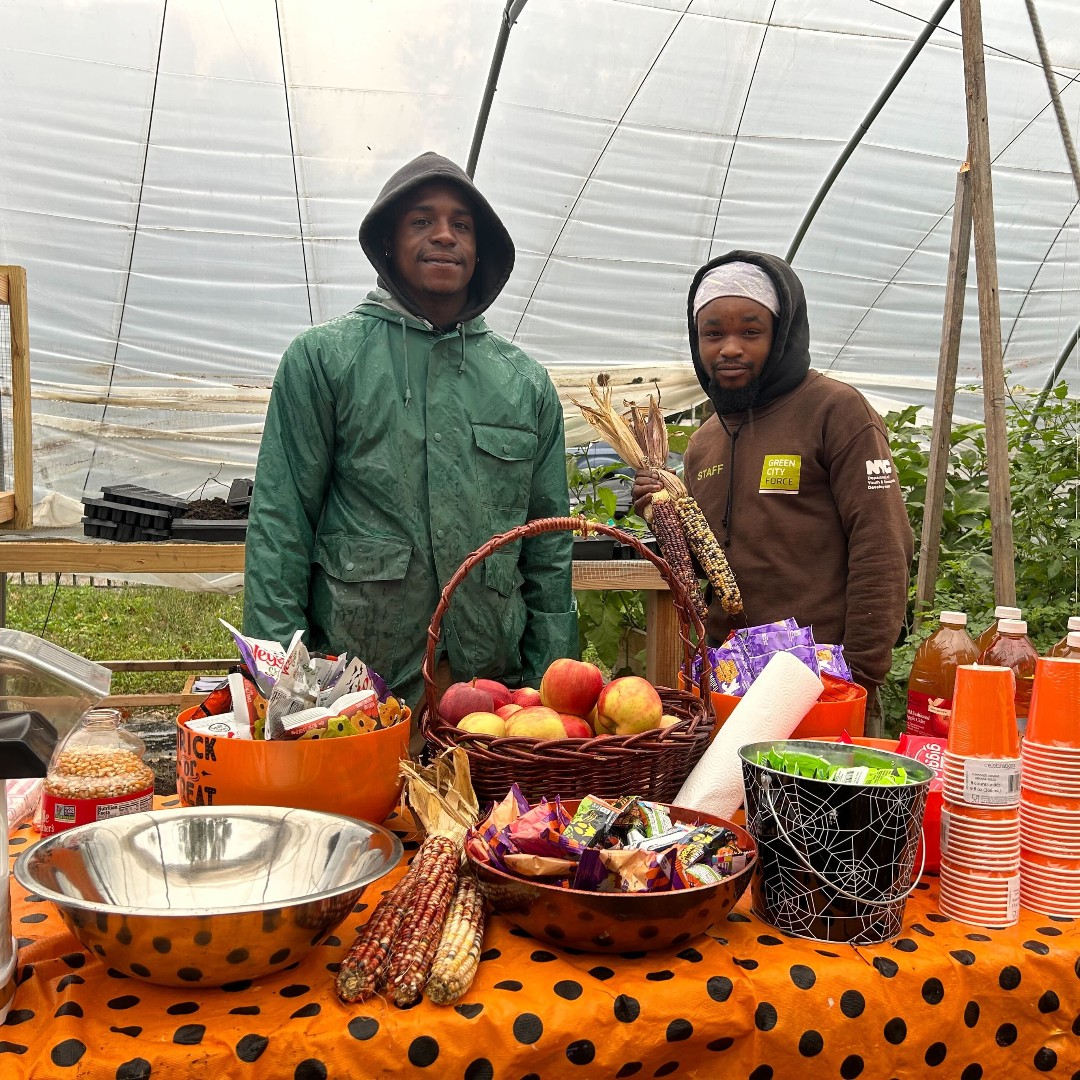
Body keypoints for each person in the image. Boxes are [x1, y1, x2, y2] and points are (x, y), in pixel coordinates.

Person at [243, 151, 578, 725]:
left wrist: (551, 697)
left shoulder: (523, 384)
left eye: (462, 225)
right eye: (422, 221)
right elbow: (282, 524)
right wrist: (280, 683)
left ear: (481, 250)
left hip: (491, 692)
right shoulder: (325, 359)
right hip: (355, 684)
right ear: (390, 243)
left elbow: (548, 551)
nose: (444, 236)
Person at [632, 251, 913, 700]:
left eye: (750, 331)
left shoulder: (835, 411)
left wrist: (858, 675)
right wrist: (663, 517)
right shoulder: (705, 442)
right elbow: (712, 565)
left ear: (782, 333)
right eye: (712, 333)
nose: (729, 348)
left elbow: (881, 545)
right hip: (728, 681)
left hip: (821, 683)